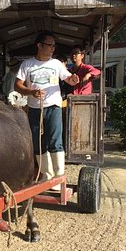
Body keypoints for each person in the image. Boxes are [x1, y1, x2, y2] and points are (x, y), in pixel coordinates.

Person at [15, 31, 79, 188]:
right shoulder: (27, 64)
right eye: (50, 45)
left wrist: (73, 80)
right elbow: (17, 85)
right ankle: (46, 175)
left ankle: (58, 177)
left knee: (55, 140)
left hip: (54, 106)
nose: (52, 48)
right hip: (35, 108)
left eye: (54, 46)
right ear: (39, 45)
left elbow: (69, 79)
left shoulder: (56, 63)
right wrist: (31, 92)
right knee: (37, 141)